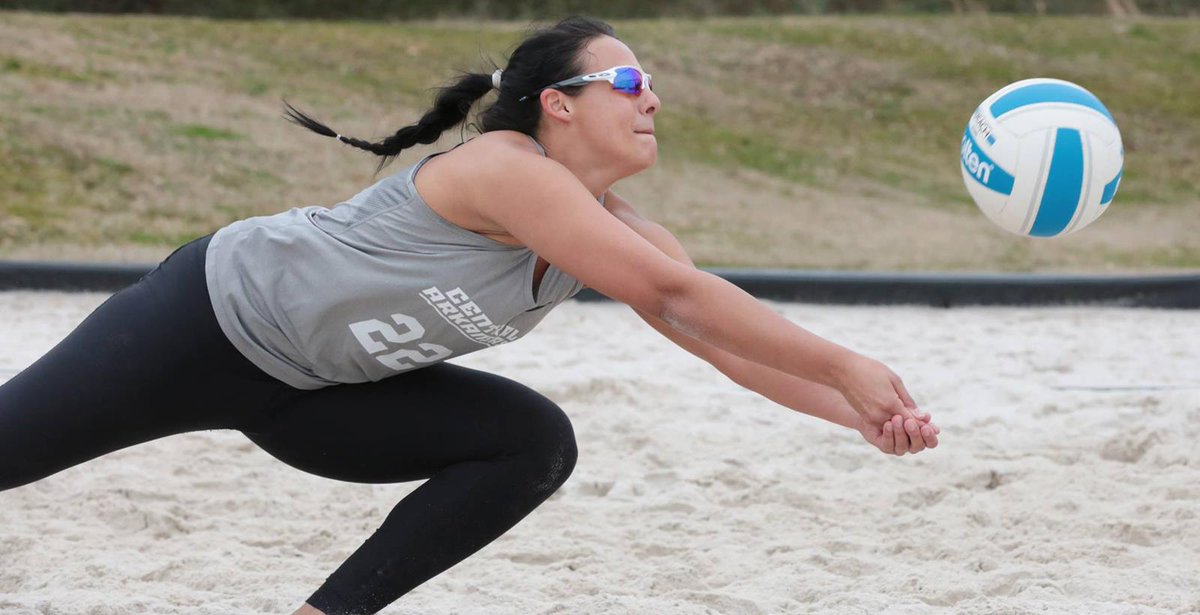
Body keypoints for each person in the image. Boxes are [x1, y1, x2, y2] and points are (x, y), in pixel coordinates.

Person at [0, 15, 940, 615]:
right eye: (624, 82)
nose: (650, 96)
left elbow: (717, 340)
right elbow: (674, 294)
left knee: (530, 441)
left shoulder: (613, 228)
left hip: (317, 395)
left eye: (650, 85)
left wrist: (858, 412)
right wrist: (847, 358)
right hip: (201, 324)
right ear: (555, 108)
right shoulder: (504, 170)